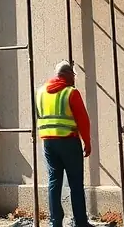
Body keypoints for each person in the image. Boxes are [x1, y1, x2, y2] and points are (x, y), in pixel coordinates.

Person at [36, 61, 92, 227]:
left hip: (48, 143)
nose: (74, 78)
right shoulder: (70, 92)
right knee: (75, 184)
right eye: (73, 75)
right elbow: (83, 120)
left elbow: (39, 116)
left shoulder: (40, 92)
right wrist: (87, 142)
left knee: (54, 182)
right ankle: (81, 223)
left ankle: (55, 222)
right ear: (66, 74)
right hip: (68, 142)